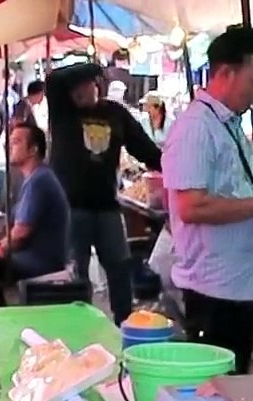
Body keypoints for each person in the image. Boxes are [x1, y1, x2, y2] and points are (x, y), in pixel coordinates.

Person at [162, 26, 253, 374]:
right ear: (226, 73)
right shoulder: (197, 128)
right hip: (212, 288)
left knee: (234, 380)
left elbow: (233, 194)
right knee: (217, 389)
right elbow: (192, 206)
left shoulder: (226, 124)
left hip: (237, 284)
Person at [46, 60, 162, 324]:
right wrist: (93, 65)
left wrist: (172, 166)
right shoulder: (63, 111)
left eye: (83, 88)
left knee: (119, 267)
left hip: (107, 205)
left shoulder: (116, 114)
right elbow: (54, 80)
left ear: (95, 86)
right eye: (73, 90)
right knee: (76, 272)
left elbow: (145, 150)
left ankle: (124, 324)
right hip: (70, 206)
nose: (77, 94)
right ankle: (78, 323)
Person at [0, 124, 69, 280]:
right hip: (36, 258)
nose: (10, 147)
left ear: (33, 150)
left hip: (39, 261)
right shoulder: (37, 177)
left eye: (16, 142)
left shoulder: (39, 181)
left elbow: (20, 233)